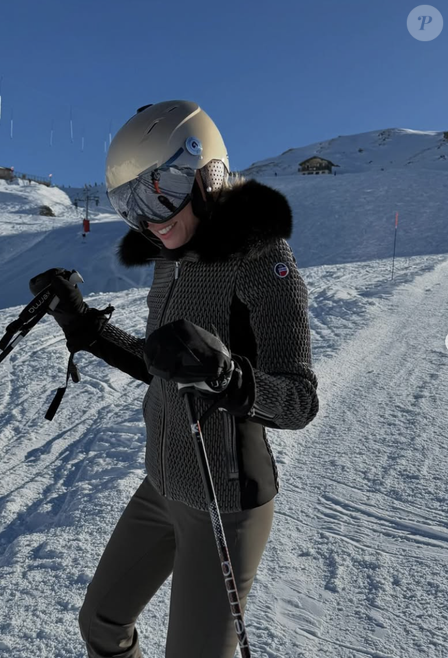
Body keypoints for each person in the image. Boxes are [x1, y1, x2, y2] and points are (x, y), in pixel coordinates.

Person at [29, 100, 319, 658]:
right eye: (129, 202)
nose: (150, 217)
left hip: (226, 500)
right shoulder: (171, 257)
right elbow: (162, 366)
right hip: (162, 485)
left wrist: (228, 377)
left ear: (208, 174)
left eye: (159, 190)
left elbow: (300, 402)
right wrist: (84, 325)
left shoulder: (263, 259)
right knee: (101, 624)